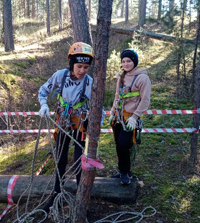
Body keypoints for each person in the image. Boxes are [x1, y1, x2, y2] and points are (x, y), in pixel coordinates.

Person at [38, 42, 105, 212]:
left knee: (78, 162)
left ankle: (81, 200)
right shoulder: (60, 76)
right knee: (60, 158)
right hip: (63, 122)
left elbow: (99, 107)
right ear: (71, 63)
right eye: (79, 66)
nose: (82, 70)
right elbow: (43, 90)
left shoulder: (89, 82)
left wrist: (97, 126)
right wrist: (43, 105)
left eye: (85, 67)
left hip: (81, 125)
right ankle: (56, 194)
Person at [109, 48, 151, 185]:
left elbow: (145, 100)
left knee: (124, 144)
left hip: (130, 118)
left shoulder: (142, 78)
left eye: (129, 61)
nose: (126, 64)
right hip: (119, 116)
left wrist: (135, 117)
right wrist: (113, 110)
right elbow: (117, 96)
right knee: (118, 144)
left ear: (134, 62)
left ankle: (126, 172)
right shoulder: (121, 77)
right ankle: (122, 170)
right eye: (123, 61)